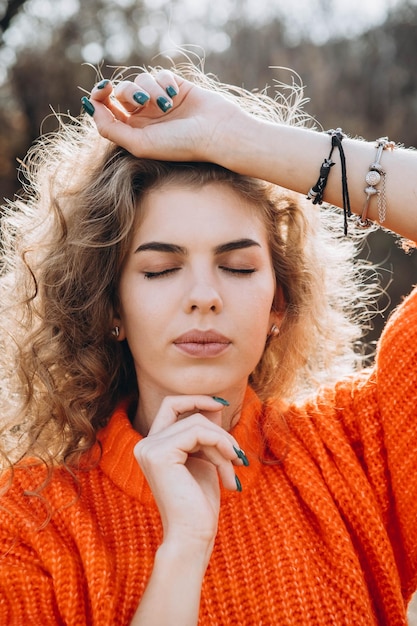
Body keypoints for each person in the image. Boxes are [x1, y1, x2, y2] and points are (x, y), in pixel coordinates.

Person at [0, 62, 416, 626]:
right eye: (161, 269)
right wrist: (184, 549)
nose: (204, 296)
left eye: (238, 267)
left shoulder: (359, 447)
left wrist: (240, 140)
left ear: (279, 304)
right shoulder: (27, 526)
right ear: (111, 308)